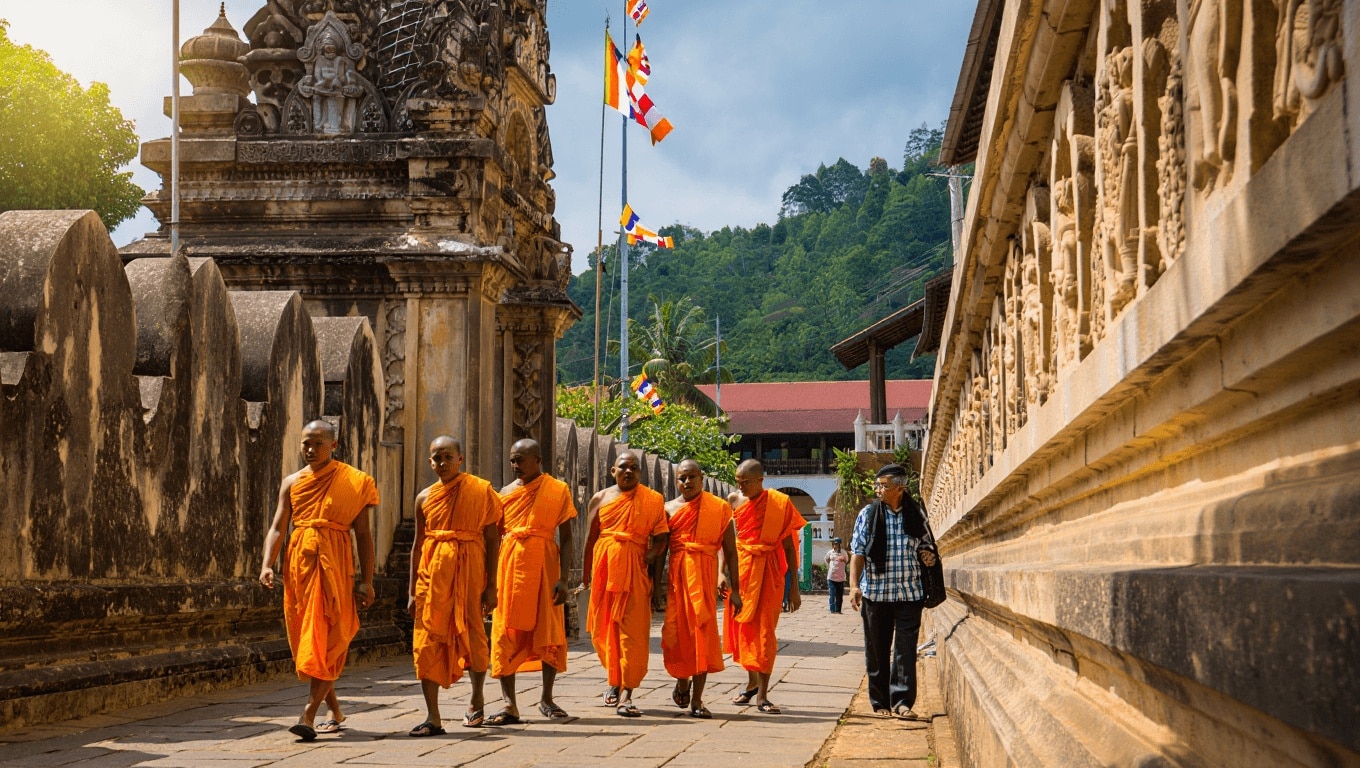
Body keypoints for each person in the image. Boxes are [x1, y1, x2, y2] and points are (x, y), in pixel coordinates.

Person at [259, 420, 378, 742]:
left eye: (318, 444)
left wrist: (367, 580)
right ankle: (335, 711)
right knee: (311, 638)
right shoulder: (291, 482)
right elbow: (278, 527)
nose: (310, 450)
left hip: (337, 565)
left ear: (334, 445)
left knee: (331, 635)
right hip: (300, 566)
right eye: (306, 444)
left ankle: (308, 714)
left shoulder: (355, 481)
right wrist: (267, 565)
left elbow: (364, 535)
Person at [407, 436, 503, 736]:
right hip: (432, 572)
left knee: (473, 633)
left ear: (460, 459)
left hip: (469, 569)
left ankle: (477, 698)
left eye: (448, 457)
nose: (443, 463)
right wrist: (411, 590)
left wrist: (492, 585)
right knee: (426, 640)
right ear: (430, 461)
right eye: (437, 458)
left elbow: (492, 539)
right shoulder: (424, 498)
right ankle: (432, 716)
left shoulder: (480, 490)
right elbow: (418, 544)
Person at [488, 439, 577, 725]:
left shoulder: (557, 490)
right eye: (512, 460)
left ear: (538, 460)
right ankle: (509, 704)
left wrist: (564, 578)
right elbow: (493, 538)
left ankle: (547, 698)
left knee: (548, 629)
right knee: (505, 632)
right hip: (510, 567)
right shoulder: (503, 494)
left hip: (545, 567)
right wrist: (489, 581)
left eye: (521, 459)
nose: (515, 465)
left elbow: (567, 538)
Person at [582, 450, 669, 717]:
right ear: (613, 471)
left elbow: (662, 537)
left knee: (634, 634)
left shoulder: (652, 499)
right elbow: (590, 539)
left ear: (640, 472)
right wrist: (584, 578)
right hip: (605, 572)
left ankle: (627, 693)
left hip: (635, 573)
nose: (628, 471)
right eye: (623, 467)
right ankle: (614, 680)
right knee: (603, 630)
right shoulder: (600, 498)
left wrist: (649, 558)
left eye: (634, 467)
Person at [848, 464, 938, 720]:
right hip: (876, 594)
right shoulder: (868, 514)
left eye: (883, 485)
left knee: (905, 650)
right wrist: (854, 586)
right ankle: (880, 702)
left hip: (910, 592)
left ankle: (902, 702)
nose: (878, 489)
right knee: (877, 650)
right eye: (877, 485)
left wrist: (928, 556)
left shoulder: (916, 514)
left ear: (900, 488)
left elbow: (927, 546)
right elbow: (858, 552)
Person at [661, 459, 742, 719]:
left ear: (702, 478)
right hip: (677, 581)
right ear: (676, 481)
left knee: (703, 637)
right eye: (682, 478)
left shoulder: (719, 508)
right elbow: (660, 550)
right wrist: (652, 587)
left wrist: (736, 589)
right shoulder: (668, 509)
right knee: (677, 635)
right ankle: (682, 681)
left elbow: (731, 552)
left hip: (705, 579)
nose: (687, 482)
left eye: (692, 477)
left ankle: (697, 700)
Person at [724, 459, 806, 715]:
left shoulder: (779, 503)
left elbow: (789, 547)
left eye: (746, 482)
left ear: (761, 480)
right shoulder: (733, 501)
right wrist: (721, 574)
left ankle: (763, 694)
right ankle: (751, 684)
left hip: (769, 573)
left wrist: (794, 588)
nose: (741, 487)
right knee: (743, 631)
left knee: (765, 634)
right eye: (738, 482)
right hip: (741, 572)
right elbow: (726, 541)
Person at [825, 537, 849, 613]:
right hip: (831, 577)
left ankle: (838, 610)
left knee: (839, 595)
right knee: (832, 594)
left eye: (837, 544)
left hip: (841, 577)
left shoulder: (843, 553)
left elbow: (846, 561)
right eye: (834, 544)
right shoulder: (830, 553)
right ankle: (832, 610)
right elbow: (827, 560)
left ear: (839, 545)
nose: (835, 546)